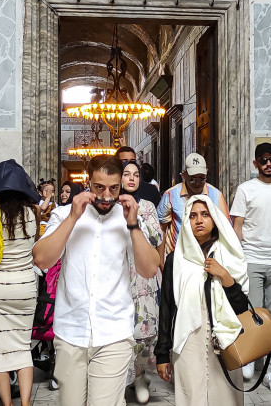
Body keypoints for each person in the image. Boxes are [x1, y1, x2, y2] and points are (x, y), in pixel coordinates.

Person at [33, 155, 159, 406]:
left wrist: (133, 226)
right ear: (88, 183)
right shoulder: (63, 214)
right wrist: (73, 218)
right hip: (70, 331)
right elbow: (41, 259)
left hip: (114, 332)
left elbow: (149, 269)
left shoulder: (128, 218)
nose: (106, 196)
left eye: (113, 188)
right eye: (99, 187)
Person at [155, 195, 250, 405]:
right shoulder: (176, 259)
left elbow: (242, 307)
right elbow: (167, 308)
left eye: (205, 214)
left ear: (214, 219)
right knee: (191, 395)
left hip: (226, 337)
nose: (199, 220)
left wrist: (224, 276)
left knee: (225, 397)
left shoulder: (229, 255)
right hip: (188, 337)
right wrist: (162, 354)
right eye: (193, 216)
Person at [230, 142, 271, 392]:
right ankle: (250, 358)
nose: (268, 164)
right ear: (255, 163)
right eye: (263, 160)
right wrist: (236, 258)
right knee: (254, 314)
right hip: (251, 258)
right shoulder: (245, 189)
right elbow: (237, 226)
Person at [0, 159, 41, 406]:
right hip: (25, 287)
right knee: (23, 347)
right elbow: (34, 244)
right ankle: (26, 403)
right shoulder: (33, 213)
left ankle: (7, 404)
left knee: (0, 349)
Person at [120, 159, 163, 403]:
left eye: (136, 174)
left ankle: (138, 376)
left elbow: (157, 239)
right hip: (118, 274)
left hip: (143, 276)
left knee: (142, 330)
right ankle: (119, 378)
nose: (132, 178)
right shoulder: (111, 205)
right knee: (121, 329)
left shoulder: (147, 206)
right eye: (127, 174)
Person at [157, 152, 230, 262]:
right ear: (184, 175)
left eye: (202, 178)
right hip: (178, 258)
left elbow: (226, 228)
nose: (197, 183)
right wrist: (161, 261)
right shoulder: (171, 195)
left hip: (208, 258)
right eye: (192, 179)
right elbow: (161, 228)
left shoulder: (216, 195)